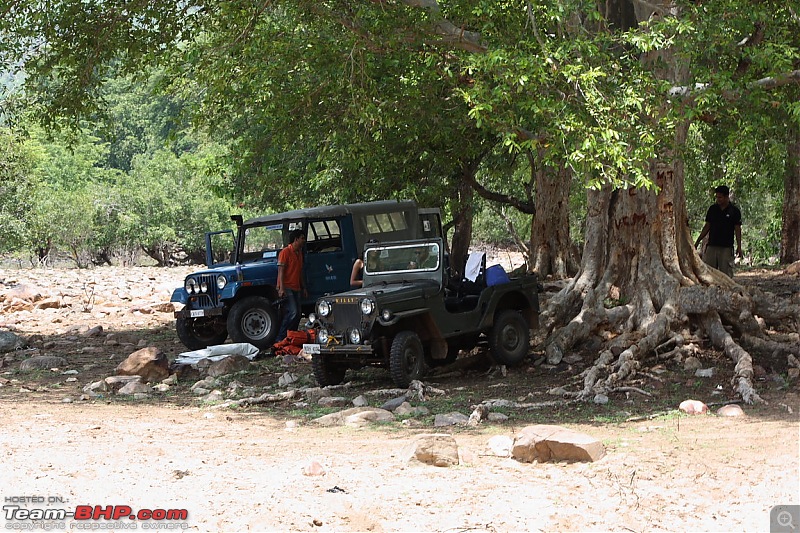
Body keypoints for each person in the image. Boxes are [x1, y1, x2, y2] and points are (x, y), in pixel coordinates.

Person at [694, 185, 743, 277]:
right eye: (716, 197)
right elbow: (707, 226)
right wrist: (698, 241)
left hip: (726, 248)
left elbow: (737, 230)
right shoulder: (713, 209)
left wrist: (739, 246)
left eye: (720, 197)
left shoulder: (734, 211)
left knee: (726, 274)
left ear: (726, 196)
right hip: (712, 246)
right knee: (709, 273)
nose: (718, 199)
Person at [276, 229, 307, 342]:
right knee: (293, 312)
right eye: (302, 238)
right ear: (296, 239)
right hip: (287, 287)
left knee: (298, 314)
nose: (304, 241)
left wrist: (303, 287)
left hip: (296, 287)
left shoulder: (299, 253)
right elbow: (281, 271)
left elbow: (299, 272)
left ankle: (291, 336)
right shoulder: (285, 252)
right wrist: (281, 288)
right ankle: (281, 337)